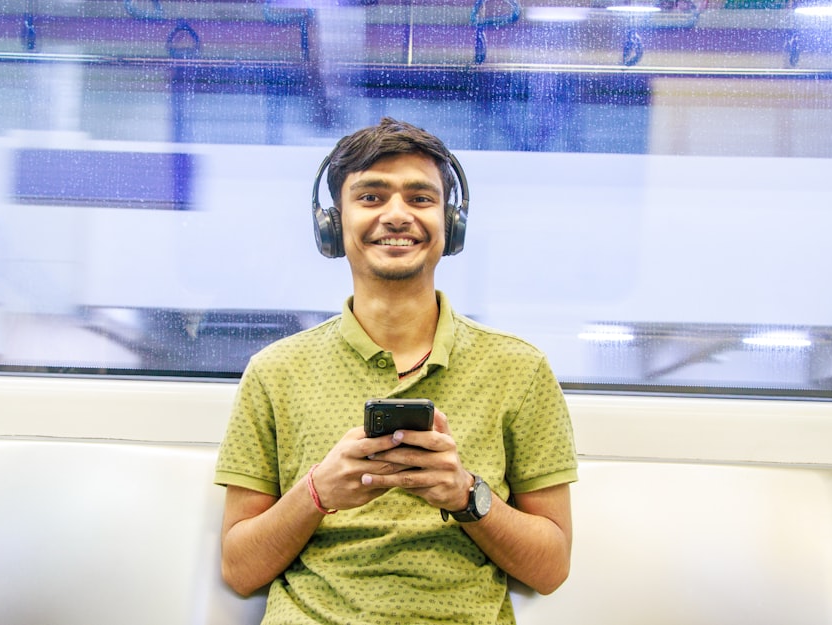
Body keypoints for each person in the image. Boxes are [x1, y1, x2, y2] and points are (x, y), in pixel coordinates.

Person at [214, 117, 577, 625]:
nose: (397, 215)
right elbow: (240, 568)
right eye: (371, 197)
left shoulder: (519, 368)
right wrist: (318, 492)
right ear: (332, 223)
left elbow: (551, 568)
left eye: (421, 198)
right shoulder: (275, 372)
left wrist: (465, 494)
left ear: (451, 225)